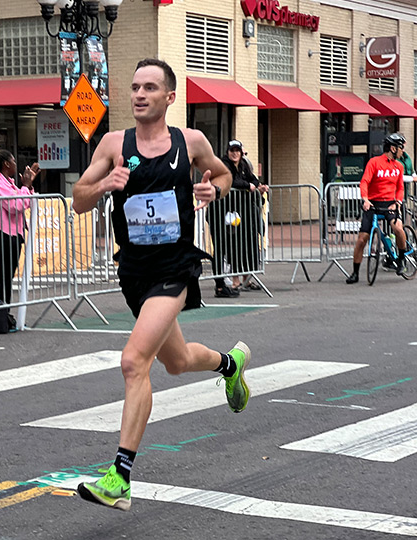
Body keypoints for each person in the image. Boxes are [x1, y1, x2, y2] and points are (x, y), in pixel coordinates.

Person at [72, 58, 252, 512]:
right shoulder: (114, 144)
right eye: (134, 86)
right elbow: (77, 199)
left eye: (150, 87)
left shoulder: (190, 141)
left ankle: (120, 476)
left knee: (134, 362)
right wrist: (104, 186)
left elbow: (224, 175)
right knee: (176, 361)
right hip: (134, 271)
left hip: (175, 267)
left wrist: (215, 190)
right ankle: (230, 365)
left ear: (169, 97)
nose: (139, 94)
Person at [346, 133, 407, 284]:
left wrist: (398, 202)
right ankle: (355, 273)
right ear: (393, 148)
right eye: (400, 148)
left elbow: (400, 187)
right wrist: (365, 199)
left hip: (390, 203)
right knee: (362, 240)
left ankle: (401, 259)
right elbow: (364, 181)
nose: (402, 151)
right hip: (373, 203)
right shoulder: (374, 162)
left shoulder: (399, 166)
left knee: (398, 229)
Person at [0, 149, 40, 305]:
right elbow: (15, 205)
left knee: (8, 272)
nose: (16, 165)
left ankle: (4, 308)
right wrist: (26, 187)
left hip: (13, 232)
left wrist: (28, 187)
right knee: (5, 271)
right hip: (1, 232)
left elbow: (25, 202)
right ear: (6, 164)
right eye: (14, 161)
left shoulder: (9, 182)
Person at [221, 140, 267, 292]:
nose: (235, 153)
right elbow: (230, 182)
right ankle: (235, 281)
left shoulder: (243, 165)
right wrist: (247, 186)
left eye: (237, 150)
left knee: (249, 243)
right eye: (232, 150)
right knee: (234, 245)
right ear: (228, 152)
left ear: (241, 152)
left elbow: (253, 179)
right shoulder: (224, 165)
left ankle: (247, 279)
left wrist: (256, 185)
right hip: (230, 212)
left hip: (246, 210)